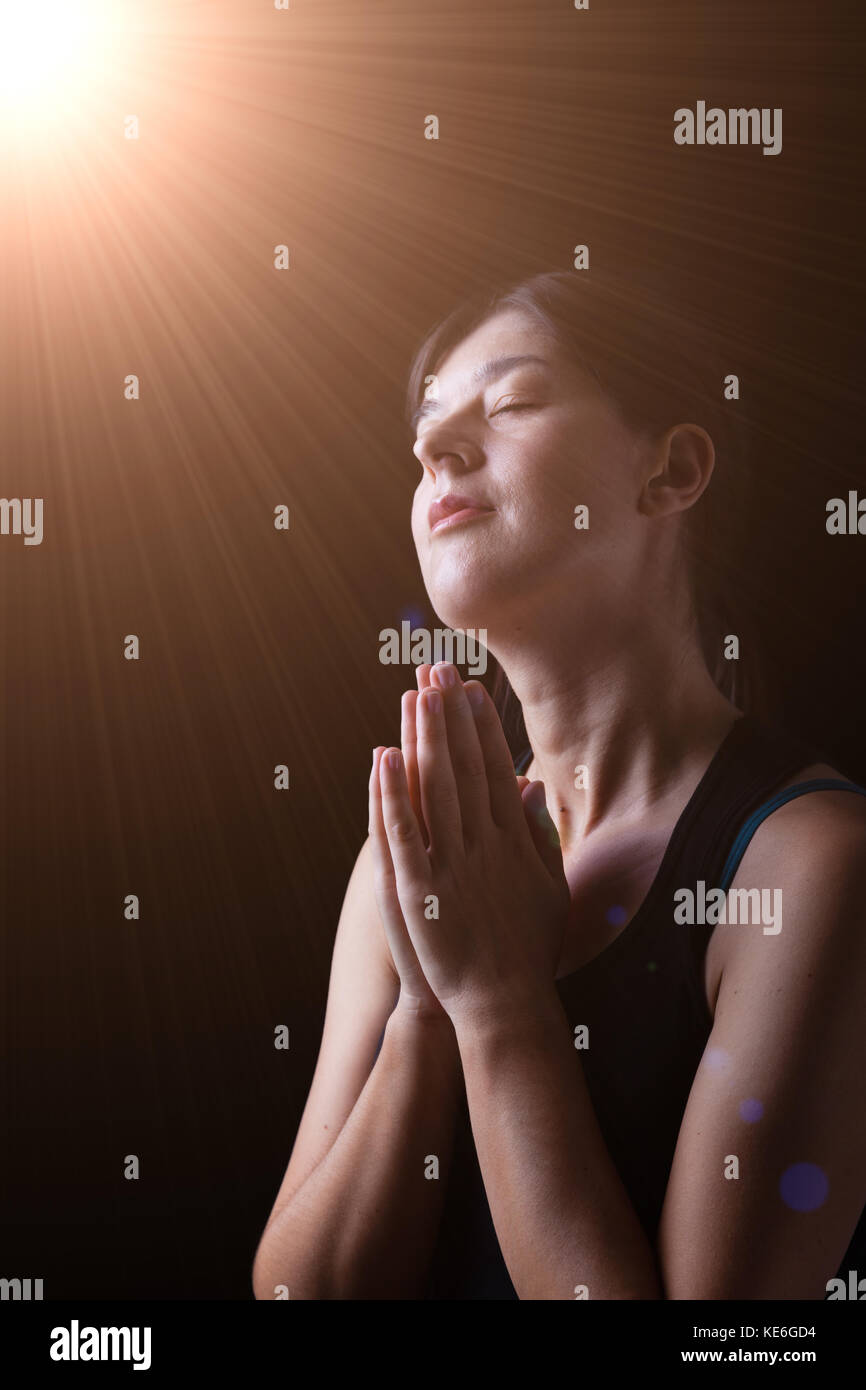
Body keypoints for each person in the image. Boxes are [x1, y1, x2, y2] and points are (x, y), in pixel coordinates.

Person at [252, 271, 866, 1299]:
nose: (434, 449)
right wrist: (424, 1012)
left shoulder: (810, 867)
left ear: (667, 471)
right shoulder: (410, 855)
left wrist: (496, 1003)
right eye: (425, 431)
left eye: (509, 403)